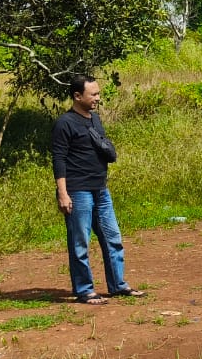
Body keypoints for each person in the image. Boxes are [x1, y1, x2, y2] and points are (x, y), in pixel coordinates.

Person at [51, 75, 144, 305]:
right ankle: (85, 290)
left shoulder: (95, 119)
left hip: (100, 189)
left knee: (113, 238)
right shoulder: (65, 123)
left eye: (98, 93)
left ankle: (118, 285)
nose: (97, 98)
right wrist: (63, 193)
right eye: (93, 94)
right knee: (80, 242)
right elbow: (59, 159)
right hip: (78, 191)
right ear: (77, 96)